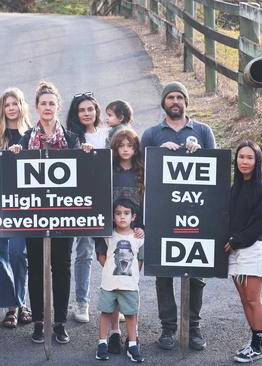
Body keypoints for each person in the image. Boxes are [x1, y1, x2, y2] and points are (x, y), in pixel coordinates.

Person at [9, 81, 92, 344]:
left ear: (58, 107)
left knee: (62, 266)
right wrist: (14, 155)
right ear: (36, 108)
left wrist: (85, 154)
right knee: (36, 267)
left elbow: (83, 174)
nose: (47, 107)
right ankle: (38, 322)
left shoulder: (71, 139)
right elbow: (13, 176)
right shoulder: (25, 139)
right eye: (43, 103)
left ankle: (59, 323)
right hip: (34, 215)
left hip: (63, 214)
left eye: (52, 103)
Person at [140, 81, 216, 351]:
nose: (175, 101)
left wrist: (200, 153)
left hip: (195, 215)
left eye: (179, 97)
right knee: (164, 274)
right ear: (163, 103)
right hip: (163, 216)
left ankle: (193, 328)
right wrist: (161, 154)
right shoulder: (151, 134)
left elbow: (215, 174)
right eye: (170, 97)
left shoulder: (203, 131)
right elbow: (143, 175)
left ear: (186, 102)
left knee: (196, 273)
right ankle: (168, 329)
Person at [95, 128, 145, 354]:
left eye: (130, 146)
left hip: (134, 235)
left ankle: (132, 339)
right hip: (108, 234)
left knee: (129, 281)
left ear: (136, 149)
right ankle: (114, 332)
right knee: (111, 281)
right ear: (115, 149)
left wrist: (142, 228)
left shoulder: (142, 172)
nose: (126, 150)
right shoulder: (109, 171)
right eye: (121, 146)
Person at [0, 88, 32, 328]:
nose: (11, 108)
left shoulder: (32, 136)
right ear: (2, 109)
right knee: (0, 255)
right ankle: (11, 306)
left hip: (24, 207)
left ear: (22, 106)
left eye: (15, 103)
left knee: (18, 254)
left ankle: (21, 303)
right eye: (7, 105)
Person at [224, 140, 262, 363]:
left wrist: (236, 241)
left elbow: (260, 223)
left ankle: (257, 344)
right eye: (241, 157)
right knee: (244, 300)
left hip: (252, 249)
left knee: (253, 299)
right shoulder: (235, 187)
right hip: (234, 250)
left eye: (249, 157)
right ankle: (258, 342)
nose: (245, 161)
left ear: (257, 161)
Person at [65, 91, 107, 323]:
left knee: (113, 251)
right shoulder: (72, 137)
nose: (87, 113)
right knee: (84, 252)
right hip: (84, 202)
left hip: (109, 199)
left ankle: (116, 302)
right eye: (82, 110)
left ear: (96, 111)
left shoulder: (108, 134)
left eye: (90, 108)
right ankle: (81, 302)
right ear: (76, 114)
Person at [95, 198, 145, 363]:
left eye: (126, 213)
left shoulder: (138, 238)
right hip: (109, 284)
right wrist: (110, 271)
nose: (122, 217)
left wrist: (132, 276)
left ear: (133, 216)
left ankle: (132, 345)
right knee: (106, 313)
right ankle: (102, 343)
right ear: (112, 217)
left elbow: (140, 260)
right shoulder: (108, 235)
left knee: (130, 315)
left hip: (129, 285)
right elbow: (101, 256)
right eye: (118, 213)